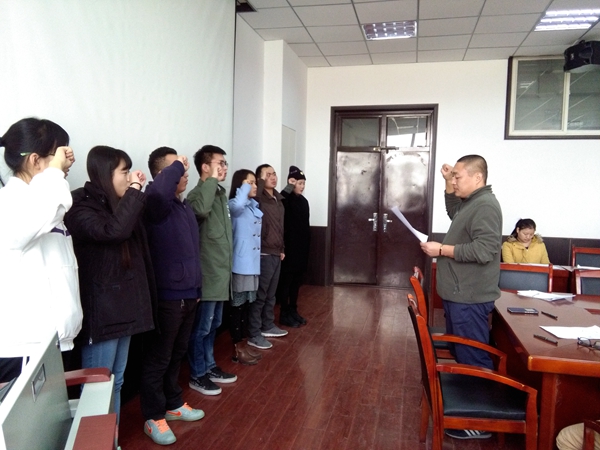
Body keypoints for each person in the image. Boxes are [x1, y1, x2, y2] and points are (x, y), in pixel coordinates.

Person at [64, 145, 155, 423]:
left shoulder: (117, 203)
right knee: (97, 385)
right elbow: (113, 232)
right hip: (102, 313)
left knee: (116, 380)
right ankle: (95, 440)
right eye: (124, 172)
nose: (130, 178)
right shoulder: (80, 204)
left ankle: (109, 439)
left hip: (124, 307)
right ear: (106, 173)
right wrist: (135, 192)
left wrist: (132, 194)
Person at [420, 154, 502, 441]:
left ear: (477, 177)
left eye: (458, 176)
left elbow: (485, 250)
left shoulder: (486, 206)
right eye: (452, 176)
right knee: (464, 353)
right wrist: (446, 184)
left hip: (469, 296)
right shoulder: (471, 202)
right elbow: (454, 211)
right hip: (460, 294)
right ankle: (470, 410)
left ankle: (481, 420)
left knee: (473, 355)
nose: (454, 181)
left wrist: (442, 250)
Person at [0, 118, 82, 383]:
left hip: (50, 343)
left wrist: (54, 169)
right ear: (35, 160)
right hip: (26, 348)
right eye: (56, 156)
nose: (65, 163)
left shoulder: (40, 200)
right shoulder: (11, 202)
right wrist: (55, 172)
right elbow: (42, 210)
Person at [139, 147, 204, 446]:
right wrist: (177, 165)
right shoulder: (155, 203)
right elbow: (157, 192)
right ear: (162, 174)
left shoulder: (183, 206)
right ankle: (153, 416)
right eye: (176, 168)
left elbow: (192, 253)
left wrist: (197, 290)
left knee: (177, 353)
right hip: (168, 297)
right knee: (159, 358)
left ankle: (173, 403)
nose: (184, 171)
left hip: (189, 294)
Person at [187, 145, 236, 396]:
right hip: (207, 275)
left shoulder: (219, 194)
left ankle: (209, 366)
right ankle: (198, 374)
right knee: (202, 328)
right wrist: (212, 182)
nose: (224, 168)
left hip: (220, 274)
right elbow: (200, 211)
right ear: (205, 167)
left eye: (225, 163)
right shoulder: (197, 194)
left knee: (214, 324)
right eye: (220, 163)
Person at [247, 164, 288, 350]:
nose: (273, 177)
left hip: (276, 252)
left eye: (274, 173)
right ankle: (254, 332)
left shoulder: (278, 199)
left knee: (271, 294)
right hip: (263, 252)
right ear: (260, 179)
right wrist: (260, 181)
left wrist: (282, 248)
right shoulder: (258, 198)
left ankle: (268, 325)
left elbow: (281, 228)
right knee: (260, 295)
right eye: (268, 174)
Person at [228, 169, 264, 365]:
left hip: (252, 264)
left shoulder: (251, 206)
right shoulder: (235, 204)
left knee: (247, 307)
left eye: (255, 182)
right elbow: (237, 206)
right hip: (241, 264)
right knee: (237, 307)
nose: (254, 186)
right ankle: (237, 348)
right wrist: (244, 188)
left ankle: (243, 344)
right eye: (250, 182)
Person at [276, 165, 310, 328]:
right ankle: (284, 313)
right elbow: (281, 198)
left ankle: (293, 310)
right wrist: (289, 185)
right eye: (299, 183)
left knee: (297, 282)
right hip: (288, 250)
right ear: (292, 183)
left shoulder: (303, 201)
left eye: (303, 183)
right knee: (286, 282)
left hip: (301, 249)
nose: (302, 187)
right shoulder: (285, 199)